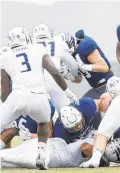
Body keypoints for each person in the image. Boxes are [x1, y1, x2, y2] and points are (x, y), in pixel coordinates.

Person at [0, 27, 78, 170]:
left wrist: (9, 111)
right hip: (39, 97)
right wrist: (67, 91)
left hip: (18, 95)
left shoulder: (5, 56)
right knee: (43, 123)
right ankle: (41, 154)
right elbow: (54, 72)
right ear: (26, 37)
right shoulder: (37, 48)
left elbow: (5, 91)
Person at [32, 24, 79, 110]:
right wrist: (69, 75)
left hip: (37, 85)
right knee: (66, 111)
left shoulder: (30, 47)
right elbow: (73, 66)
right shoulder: (58, 42)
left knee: (43, 117)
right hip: (56, 82)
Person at [0, 138, 94, 168]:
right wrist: (98, 157)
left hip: (46, 145)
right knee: (39, 162)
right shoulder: (95, 143)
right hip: (51, 150)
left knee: (5, 164)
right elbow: (86, 148)